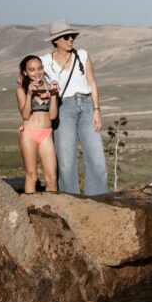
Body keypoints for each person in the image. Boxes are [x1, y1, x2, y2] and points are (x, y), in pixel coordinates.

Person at [41, 19, 108, 195]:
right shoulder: (45, 62)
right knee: (66, 161)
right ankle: (71, 201)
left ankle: (99, 201)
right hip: (63, 108)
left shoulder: (83, 55)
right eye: (66, 37)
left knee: (97, 159)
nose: (70, 39)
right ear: (55, 40)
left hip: (86, 106)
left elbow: (92, 83)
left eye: (72, 36)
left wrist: (96, 110)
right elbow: (29, 78)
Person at [15, 55, 58, 193]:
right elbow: (25, 115)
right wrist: (29, 94)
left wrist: (53, 94)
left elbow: (53, 115)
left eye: (39, 68)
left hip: (46, 133)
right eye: (32, 69)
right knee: (31, 176)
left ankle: (53, 210)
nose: (37, 72)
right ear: (25, 72)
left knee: (51, 177)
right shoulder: (21, 89)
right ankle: (30, 210)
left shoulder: (50, 87)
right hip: (28, 134)